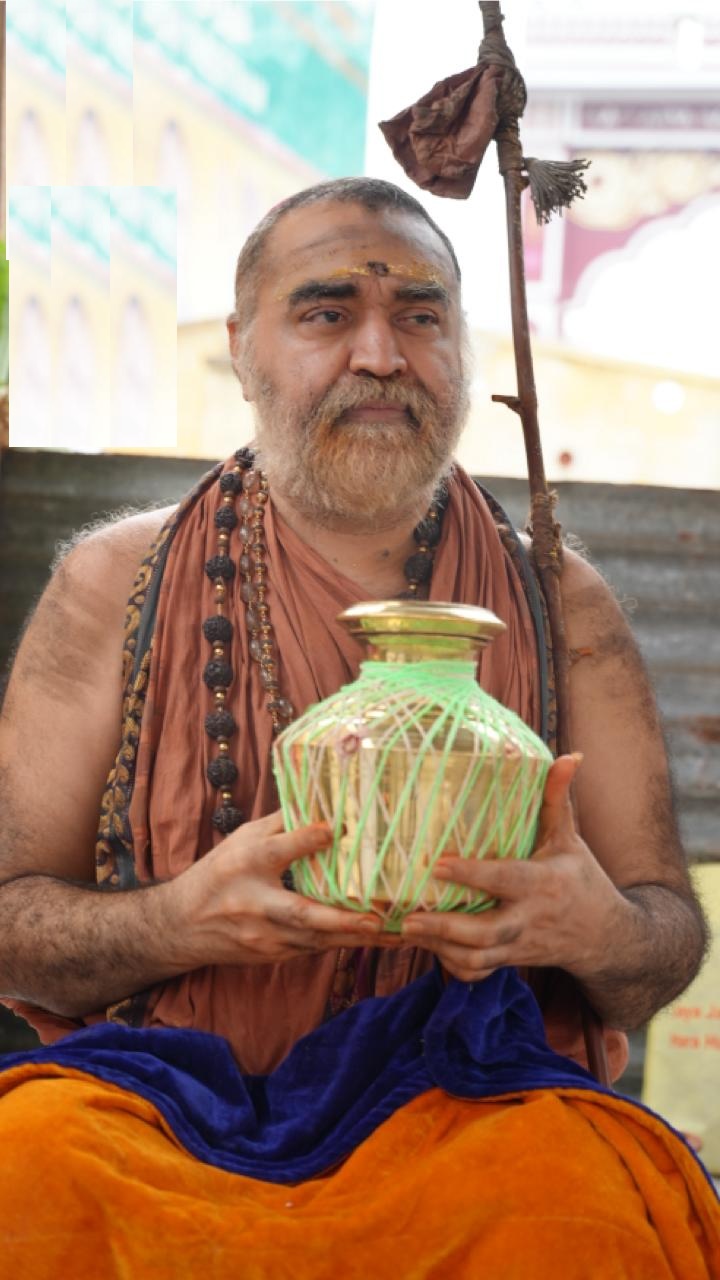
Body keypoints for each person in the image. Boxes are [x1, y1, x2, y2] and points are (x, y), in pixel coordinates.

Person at [0, 178, 717, 1277]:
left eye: (421, 316)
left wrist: (592, 928)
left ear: (463, 353)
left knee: (578, 1208)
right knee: (26, 1168)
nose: (380, 353)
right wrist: (179, 921)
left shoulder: (558, 600)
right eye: (327, 312)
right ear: (244, 349)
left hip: (469, 1100)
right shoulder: (115, 583)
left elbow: (665, 942)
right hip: (163, 1104)